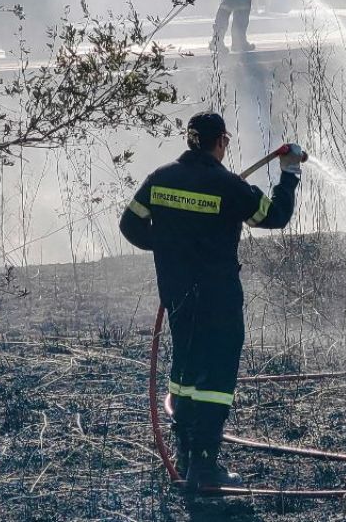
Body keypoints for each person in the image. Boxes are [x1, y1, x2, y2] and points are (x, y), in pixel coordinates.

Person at [119, 112, 304, 489]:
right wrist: (289, 173)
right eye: (227, 140)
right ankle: (204, 464)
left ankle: (186, 454)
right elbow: (277, 215)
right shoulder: (228, 187)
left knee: (185, 371)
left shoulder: (160, 179)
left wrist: (169, 246)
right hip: (217, 297)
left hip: (176, 293)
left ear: (191, 140)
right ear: (220, 140)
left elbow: (130, 224)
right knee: (216, 377)